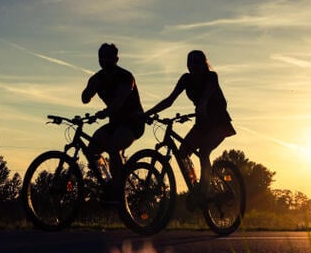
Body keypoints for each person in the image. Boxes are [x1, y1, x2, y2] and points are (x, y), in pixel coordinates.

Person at [145, 49, 236, 189]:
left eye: (197, 62)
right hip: (202, 123)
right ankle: (194, 186)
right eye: (190, 62)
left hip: (219, 122)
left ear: (204, 64)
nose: (193, 65)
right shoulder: (186, 79)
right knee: (183, 154)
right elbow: (169, 100)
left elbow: (206, 97)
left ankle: (204, 189)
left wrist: (202, 107)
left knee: (204, 151)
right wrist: (148, 113)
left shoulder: (211, 77)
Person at [80, 43, 146, 184]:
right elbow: (84, 98)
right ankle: (108, 182)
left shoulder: (126, 77)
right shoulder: (98, 78)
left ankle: (118, 186)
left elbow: (119, 101)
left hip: (133, 122)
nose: (104, 60)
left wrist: (105, 112)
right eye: (101, 57)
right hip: (115, 123)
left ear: (116, 59)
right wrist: (91, 87)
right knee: (91, 150)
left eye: (108, 57)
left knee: (113, 146)